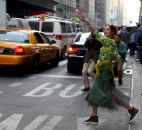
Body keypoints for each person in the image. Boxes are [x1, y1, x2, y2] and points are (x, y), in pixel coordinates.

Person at [76, 9, 139, 124]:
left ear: (112, 33)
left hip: (104, 71)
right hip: (103, 70)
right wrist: (112, 62)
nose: (104, 31)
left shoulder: (108, 42)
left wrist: (86, 21)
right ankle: (94, 116)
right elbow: (117, 57)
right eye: (104, 29)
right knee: (96, 92)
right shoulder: (111, 44)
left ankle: (131, 109)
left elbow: (95, 33)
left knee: (110, 94)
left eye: (107, 30)